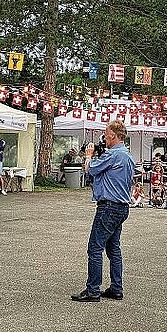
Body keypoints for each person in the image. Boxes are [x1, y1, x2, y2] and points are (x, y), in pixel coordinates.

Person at [71, 121, 134, 302]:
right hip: (121, 207)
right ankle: (116, 288)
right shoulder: (127, 155)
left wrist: (89, 156)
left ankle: (93, 290)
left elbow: (91, 170)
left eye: (106, 134)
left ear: (113, 135)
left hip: (108, 207)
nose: (104, 137)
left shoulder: (113, 154)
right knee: (113, 249)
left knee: (94, 248)